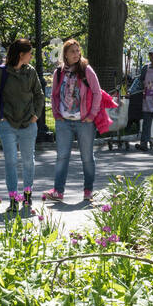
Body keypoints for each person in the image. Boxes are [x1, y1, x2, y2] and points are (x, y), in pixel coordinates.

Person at [0, 37, 44, 212]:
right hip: (8, 124)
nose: (31, 56)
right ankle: (13, 199)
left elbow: (39, 95)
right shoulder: (2, 72)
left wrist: (36, 115)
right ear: (22, 54)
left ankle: (27, 196)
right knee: (10, 162)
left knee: (28, 161)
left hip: (28, 123)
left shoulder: (31, 72)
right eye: (30, 53)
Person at [46, 38, 102, 203]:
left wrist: (91, 115)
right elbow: (54, 95)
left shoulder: (87, 70)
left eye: (78, 51)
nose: (76, 54)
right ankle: (58, 191)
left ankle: (88, 190)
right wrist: (56, 114)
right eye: (72, 52)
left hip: (84, 121)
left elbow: (97, 93)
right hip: (63, 121)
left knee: (87, 157)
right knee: (62, 156)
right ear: (65, 54)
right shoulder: (59, 72)